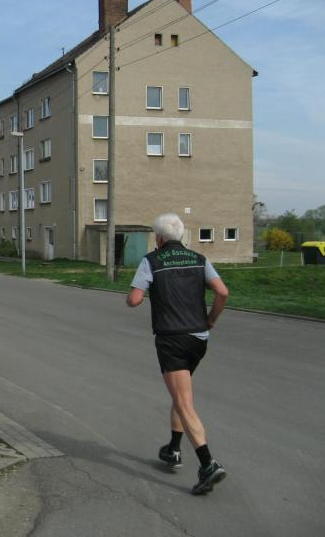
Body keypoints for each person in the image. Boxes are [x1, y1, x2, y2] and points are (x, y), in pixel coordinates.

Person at [126, 212, 229, 495]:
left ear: (158, 238)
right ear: (180, 235)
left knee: (183, 402)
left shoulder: (152, 261)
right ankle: (173, 448)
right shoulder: (199, 259)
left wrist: (135, 295)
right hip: (199, 338)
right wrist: (210, 320)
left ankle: (208, 464)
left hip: (172, 339)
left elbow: (134, 299)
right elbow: (222, 292)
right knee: (181, 394)